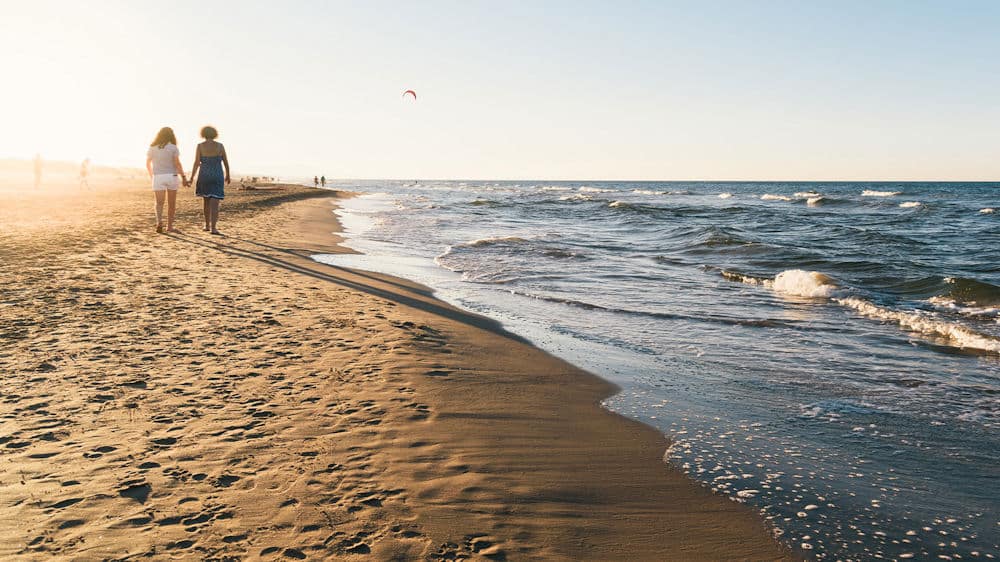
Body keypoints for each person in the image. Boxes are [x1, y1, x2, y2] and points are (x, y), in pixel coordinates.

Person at [146, 127, 188, 233]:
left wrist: (152, 176)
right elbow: (177, 164)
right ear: (171, 135)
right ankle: (169, 227)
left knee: (159, 203)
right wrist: (183, 177)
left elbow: (148, 163)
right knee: (171, 203)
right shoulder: (173, 147)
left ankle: (159, 222)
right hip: (171, 176)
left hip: (158, 177)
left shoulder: (152, 147)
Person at [191, 125, 230, 235]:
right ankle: (213, 228)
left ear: (203, 134)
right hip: (217, 175)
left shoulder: (200, 146)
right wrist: (228, 175)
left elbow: (196, 163)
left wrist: (191, 177)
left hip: (204, 175)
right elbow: (226, 162)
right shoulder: (220, 146)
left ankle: (207, 225)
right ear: (214, 134)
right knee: (215, 203)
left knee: (206, 202)